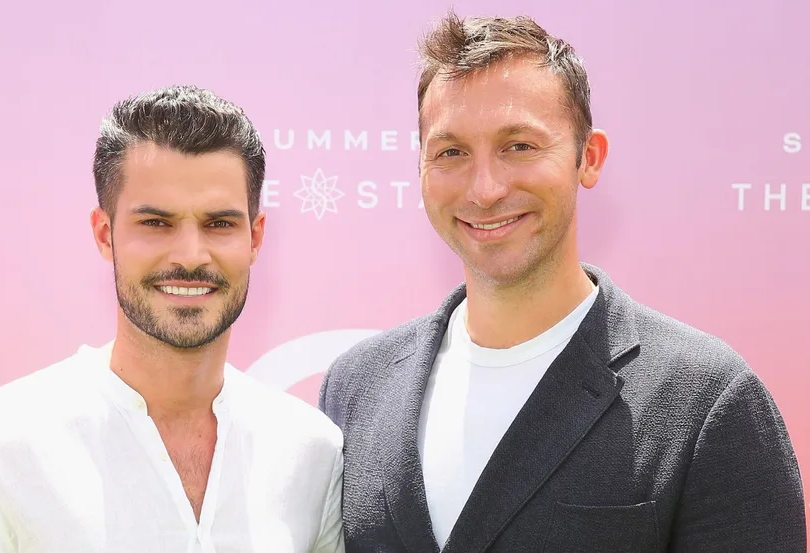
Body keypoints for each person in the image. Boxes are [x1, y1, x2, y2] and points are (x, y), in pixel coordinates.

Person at [318, 11, 806, 553]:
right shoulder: (355, 388)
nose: (484, 188)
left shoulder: (708, 399)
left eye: (519, 146)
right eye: (450, 152)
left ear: (588, 158)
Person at [0, 85, 345, 553]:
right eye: (156, 223)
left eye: (220, 223)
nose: (191, 255)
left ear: (255, 239)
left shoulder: (311, 451)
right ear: (104, 234)